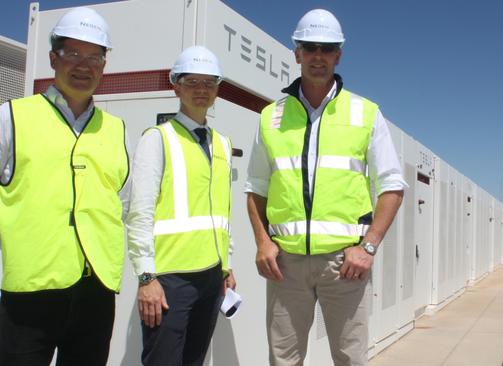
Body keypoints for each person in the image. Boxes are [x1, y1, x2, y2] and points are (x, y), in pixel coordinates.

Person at [245, 8, 407, 366]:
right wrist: (262, 242)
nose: (318, 56)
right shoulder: (271, 116)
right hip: (285, 265)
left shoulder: (365, 113)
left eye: (327, 48)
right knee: (283, 359)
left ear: (338, 55)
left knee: (350, 358)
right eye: (310, 47)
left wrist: (367, 247)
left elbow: (393, 187)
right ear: (297, 52)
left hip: (345, 264)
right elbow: (255, 188)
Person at [0, 7, 129, 366]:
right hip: (29, 292)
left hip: (95, 290)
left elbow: (123, 204)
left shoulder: (117, 130)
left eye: (94, 57)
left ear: (104, 66)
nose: (83, 65)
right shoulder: (11, 117)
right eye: (73, 54)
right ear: (53, 59)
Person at [126, 45, 236, 366]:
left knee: (194, 361)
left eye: (209, 83)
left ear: (217, 89)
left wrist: (226, 266)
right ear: (176, 85)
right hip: (170, 280)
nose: (201, 90)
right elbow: (139, 213)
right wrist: (147, 278)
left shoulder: (222, 143)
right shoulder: (157, 139)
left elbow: (223, 212)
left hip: (211, 277)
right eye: (192, 82)